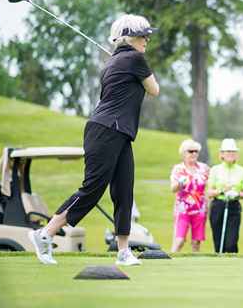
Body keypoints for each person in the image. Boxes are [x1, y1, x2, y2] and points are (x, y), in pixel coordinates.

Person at [28, 14, 160, 266]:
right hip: (106, 129)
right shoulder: (134, 58)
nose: (147, 40)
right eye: (143, 35)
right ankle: (45, 234)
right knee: (92, 189)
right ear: (128, 37)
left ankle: (123, 251)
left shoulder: (113, 63)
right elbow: (154, 89)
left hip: (116, 131)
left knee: (124, 189)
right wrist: (137, 65)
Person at [207, 138, 243, 253]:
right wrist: (221, 191)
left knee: (231, 242)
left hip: (234, 206)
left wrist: (237, 194)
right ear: (222, 154)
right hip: (218, 206)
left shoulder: (241, 170)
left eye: (233, 151)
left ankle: (233, 266)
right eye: (228, 151)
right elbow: (210, 193)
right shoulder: (215, 169)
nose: (231, 154)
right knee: (218, 241)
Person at [170, 139, 209, 253]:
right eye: (190, 151)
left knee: (196, 242)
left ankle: (195, 267)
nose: (194, 154)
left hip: (200, 210)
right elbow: (173, 188)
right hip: (183, 209)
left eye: (196, 151)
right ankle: (171, 264)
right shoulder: (178, 169)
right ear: (183, 153)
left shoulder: (204, 168)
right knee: (179, 240)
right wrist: (180, 183)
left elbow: (210, 186)